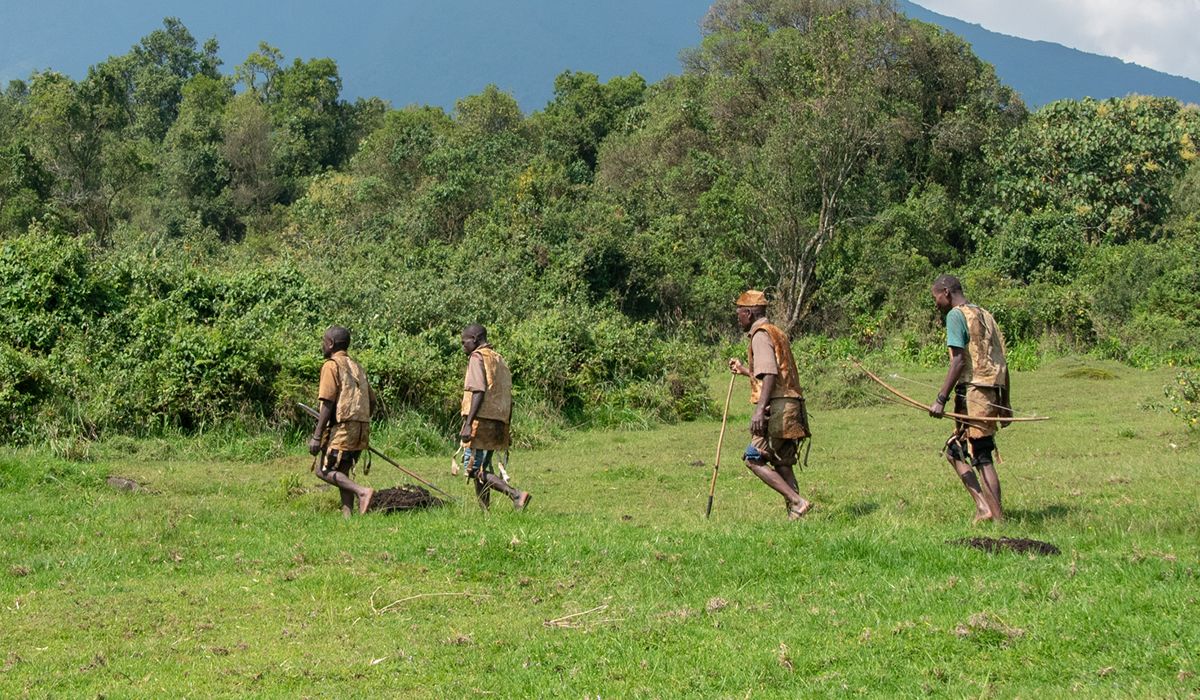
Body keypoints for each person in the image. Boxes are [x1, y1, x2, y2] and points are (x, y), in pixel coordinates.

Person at [928, 274, 1010, 524]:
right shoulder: (986, 314)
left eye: (935, 298)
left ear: (946, 292)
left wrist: (941, 398)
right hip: (992, 392)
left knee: (981, 456)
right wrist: (1005, 403)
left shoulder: (956, 315)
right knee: (955, 451)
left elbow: (959, 360)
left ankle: (998, 519)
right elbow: (1002, 363)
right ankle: (983, 507)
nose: (935, 304)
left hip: (973, 394)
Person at [726, 291, 813, 521]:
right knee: (783, 463)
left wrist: (758, 410)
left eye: (739, 313)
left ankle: (797, 501)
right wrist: (745, 370)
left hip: (777, 408)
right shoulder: (776, 332)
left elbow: (771, 374)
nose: (738, 319)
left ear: (749, 312)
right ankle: (797, 514)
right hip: (790, 403)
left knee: (752, 458)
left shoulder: (760, 335)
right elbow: (770, 374)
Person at [459, 323, 531, 511]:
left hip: (481, 422)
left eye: (464, 342)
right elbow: (506, 394)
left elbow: (479, 391)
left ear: (474, 339)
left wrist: (468, 424)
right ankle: (485, 513)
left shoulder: (477, 357)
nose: (463, 347)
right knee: (482, 468)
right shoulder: (498, 359)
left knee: (474, 468)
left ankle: (516, 494)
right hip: (498, 422)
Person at [308, 326, 375, 518]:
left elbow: (328, 403)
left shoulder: (331, 365)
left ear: (331, 343)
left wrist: (317, 435)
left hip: (343, 427)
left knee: (323, 470)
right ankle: (348, 517)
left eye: (323, 341)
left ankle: (362, 491)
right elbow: (372, 400)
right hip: (361, 427)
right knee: (342, 472)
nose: (322, 345)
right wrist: (361, 420)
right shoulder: (357, 366)